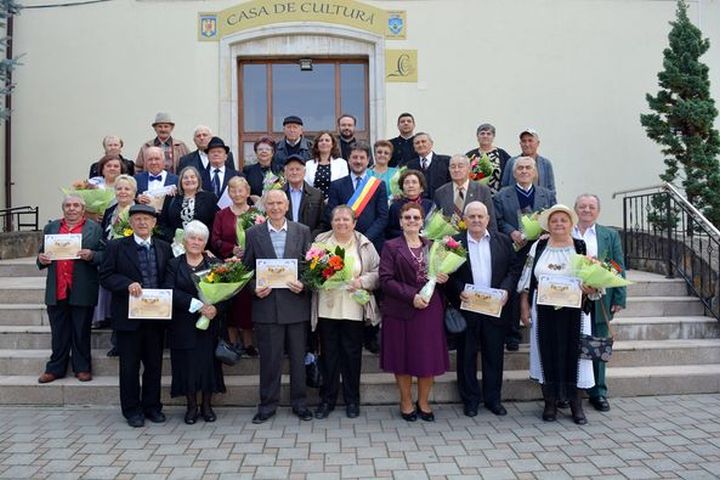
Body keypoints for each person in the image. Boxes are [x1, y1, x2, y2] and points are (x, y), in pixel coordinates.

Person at [518, 204, 596, 425]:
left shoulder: (581, 246)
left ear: (571, 224)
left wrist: (591, 287)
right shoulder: (539, 247)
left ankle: (576, 404)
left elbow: (593, 277)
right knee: (546, 353)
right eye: (554, 221)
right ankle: (550, 403)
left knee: (576, 355)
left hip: (575, 311)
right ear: (548, 225)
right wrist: (524, 305)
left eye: (563, 220)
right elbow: (527, 277)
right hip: (543, 310)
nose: (559, 224)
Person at [242, 189, 313, 424]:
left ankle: (300, 404)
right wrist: (254, 287)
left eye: (279, 203)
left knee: (298, 360)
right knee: (270, 361)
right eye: (270, 203)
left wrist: (304, 284)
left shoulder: (302, 231)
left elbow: (310, 267)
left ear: (286, 206)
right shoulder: (253, 234)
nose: (275, 207)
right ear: (265, 206)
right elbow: (246, 270)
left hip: (296, 305)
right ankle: (267, 405)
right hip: (267, 307)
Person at [100, 204, 172, 428]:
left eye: (147, 219)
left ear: (154, 223)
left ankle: (152, 407)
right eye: (138, 219)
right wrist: (126, 284)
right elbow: (105, 276)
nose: (142, 222)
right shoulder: (116, 247)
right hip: (128, 318)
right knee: (129, 367)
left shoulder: (164, 247)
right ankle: (132, 410)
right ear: (130, 223)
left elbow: (169, 277)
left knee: (154, 366)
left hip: (156, 317)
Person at [446, 202, 519, 417]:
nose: (476, 220)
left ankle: (493, 399)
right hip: (467, 308)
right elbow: (447, 274)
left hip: (495, 308)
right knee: (466, 356)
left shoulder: (503, 241)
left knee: (494, 355)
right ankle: (470, 400)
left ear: (488, 219)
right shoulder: (454, 243)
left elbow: (513, 270)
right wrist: (459, 289)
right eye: (472, 216)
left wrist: (506, 290)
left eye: (480, 216)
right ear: (465, 220)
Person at [379, 202, 450, 422]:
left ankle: (424, 402)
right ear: (400, 222)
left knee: (427, 358)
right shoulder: (391, 246)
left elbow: (440, 276)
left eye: (416, 218)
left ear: (422, 222)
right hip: (401, 309)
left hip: (429, 309)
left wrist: (444, 278)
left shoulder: (434, 245)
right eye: (407, 217)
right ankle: (406, 401)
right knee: (402, 358)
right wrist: (412, 296)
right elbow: (385, 280)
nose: (412, 221)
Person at [312, 205, 380, 420]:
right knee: (328, 356)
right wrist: (319, 276)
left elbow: (377, 272)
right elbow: (310, 271)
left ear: (354, 223)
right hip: (327, 307)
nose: (341, 223)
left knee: (352, 356)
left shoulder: (365, 244)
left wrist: (362, 281)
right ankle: (327, 399)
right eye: (337, 219)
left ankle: (352, 400)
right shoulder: (320, 242)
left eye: (346, 219)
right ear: (331, 222)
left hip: (354, 307)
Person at [36, 194, 105, 384]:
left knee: (81, 331)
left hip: (82, 287)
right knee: (58, 332)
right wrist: (41, 259)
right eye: (68, 205)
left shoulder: (94, 228)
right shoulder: (51, 228)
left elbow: (105, 254)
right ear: (63, 208)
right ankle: (55, 368)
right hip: (57, 288)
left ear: (83, 209)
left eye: (76, 205)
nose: (72, 208)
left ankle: (82, 368)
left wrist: (92, 255)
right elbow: (41, 254)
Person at [164, 220, 227, 424]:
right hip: (183, 324)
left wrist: (216, 308)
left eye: (200, 239)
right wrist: (197, 305)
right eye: (192, 238)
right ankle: (191, 406)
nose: (196, 242)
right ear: (184, 240)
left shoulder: (215, 264)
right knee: (186, 366)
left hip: (210, 323)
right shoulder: (174, 264)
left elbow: (227, 294)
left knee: (208, 365)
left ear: (205, 243)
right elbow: (170, 290)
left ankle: (207, 406)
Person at [494, 156, 556, 351]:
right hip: (514, 248)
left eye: (528, 168)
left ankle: (541, 329)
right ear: (514, 173)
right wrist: (512, 232)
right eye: (520, 168)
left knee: (537, 288)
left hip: (540, 248)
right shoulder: (502, 195)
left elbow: (555, 219)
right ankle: (512, 334)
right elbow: (497, 220)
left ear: (535, 172)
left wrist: (545, 232)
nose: (524, 171)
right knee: (513, 289)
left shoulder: (547, 195)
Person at [573, 194, 626, 413]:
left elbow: (617, 265)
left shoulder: (609, 235)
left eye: (591, 207)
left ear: (598, 211)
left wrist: (619, 297)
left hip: (600, 299)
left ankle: (598, 392)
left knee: (598, 345)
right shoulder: (567, 231)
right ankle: (572, 390)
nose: (586, 210)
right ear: (576, 209)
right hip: (571, 298)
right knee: (571, 344)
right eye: (582, 206)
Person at [210, 176, 258, 356]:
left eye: (240, 190)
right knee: (231, 304)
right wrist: (232, 249)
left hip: (250, 265)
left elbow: (262, 237)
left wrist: (248, 250)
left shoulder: (256, 214)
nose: (237, 194)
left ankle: (248, 343)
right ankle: (232, 342)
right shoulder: (221, 214)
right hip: (229, 265)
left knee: (247, 304)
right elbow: (215, 240)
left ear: (247, 192)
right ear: (228, 193)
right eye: (233, 190)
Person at [326, 143, 388, 254]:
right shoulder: (336, 185)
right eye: (354, 157)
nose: (358, 161)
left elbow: (382, 217)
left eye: (362, 158)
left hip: (371, 243)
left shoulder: (378, 185)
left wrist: (365, 239)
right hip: (343, 243)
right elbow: (331, 214)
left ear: (368, 160)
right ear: (348, 159)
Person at [95, 174, 138, 335]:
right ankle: (108, 320)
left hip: (131, 258)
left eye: (127, 189)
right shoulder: (109, 211)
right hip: (111, 257)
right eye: (119, 188)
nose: (123, 192)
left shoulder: (139, 210)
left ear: (134, 192)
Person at [433, 154, 497, 232]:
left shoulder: (482, 190)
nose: (456, 170)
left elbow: (491, 221)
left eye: (460, 166)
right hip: (449, 238)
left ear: (469, 168)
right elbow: (435, 222)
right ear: (449, 169)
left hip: (476, 236)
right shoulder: (440, 193)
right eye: (453, 167)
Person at [159, 166, 218, 243]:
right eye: (185, 178)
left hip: (201, 244)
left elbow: (214, 224)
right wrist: (174, 239)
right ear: (180, 181)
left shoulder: (210, 198)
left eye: (192, 177)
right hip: (175, 244)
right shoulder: (171, 197)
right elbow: (163, 223)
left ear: (198, 180)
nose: (189, 180)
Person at [501, 129, 556, 195]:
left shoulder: (545, 164)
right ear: (520, 144)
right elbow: (504, 187)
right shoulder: (512, 162)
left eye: (530, 141)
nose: (527, 144)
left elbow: (551, 189)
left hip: (539, 200)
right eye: (524, 141)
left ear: (538, 143)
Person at [282, 154, 325, 237]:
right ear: (285, 173)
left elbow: (322, 223)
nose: (294, 172)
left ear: (304, 172)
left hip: (310, 239)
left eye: (298, 169)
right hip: (284, 239)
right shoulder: (279, 194)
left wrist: (310, 237)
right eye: (291, 169)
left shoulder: (317, 195)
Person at [385, 169, 434, 240]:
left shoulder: (429, 205)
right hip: (401, 243)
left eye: (414, 182)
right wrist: (410, 234)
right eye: (407, 183)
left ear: (421, 188)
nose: (410, 185)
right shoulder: (395, 206)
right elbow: (390, 231)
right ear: (402, 187)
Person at [465, 123, 511, 195]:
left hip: (497, 197)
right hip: (475, 196)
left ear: (493, 137)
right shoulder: (470, 155)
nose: (485, 136)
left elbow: (509, 175)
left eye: (488, 134)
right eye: (482, 133)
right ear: (477, 136)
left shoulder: (502, 154)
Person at [304, 131, 349, 200]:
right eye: (321, 140)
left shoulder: (341, 163)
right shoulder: (308, 164)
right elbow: (305, 186)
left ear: (332, 144)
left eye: (327, 140)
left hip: (335, 202)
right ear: (317, 145)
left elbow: (343, 186)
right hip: (312, 202)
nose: (324, 142)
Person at [406, 132, 451, 199]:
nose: (420, 145)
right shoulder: (410, 165)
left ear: (431, 144)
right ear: (414, 147)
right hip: (419, 203)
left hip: (441, 201)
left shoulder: (446, 161)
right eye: (417, 143)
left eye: (423, 141)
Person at [134, 146, 179, 212]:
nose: (153, 162)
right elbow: (130, 199)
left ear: (163, 161)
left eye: (157, 159)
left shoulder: (176, 180)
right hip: (144, 216)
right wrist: (137, 199)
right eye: (150, 159)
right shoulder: (136, 179)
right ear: (145, 162)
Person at [199, 137, 242, 201]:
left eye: (219, 152)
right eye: (212, 152)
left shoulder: (237, 176)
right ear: (208, 156)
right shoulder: (199, 176)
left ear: (226, 156)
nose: (216, 154)